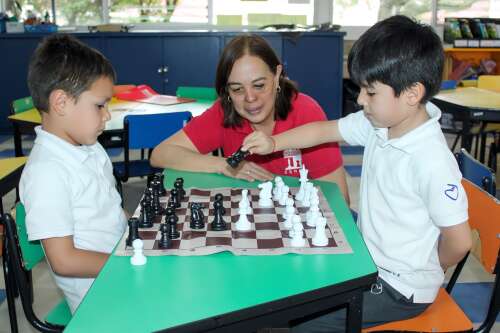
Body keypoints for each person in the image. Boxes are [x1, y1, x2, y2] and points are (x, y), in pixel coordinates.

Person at [242, 15, 472, 332]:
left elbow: (459, 243)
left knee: (303, 323)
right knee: (291, 285)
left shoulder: (431, 159)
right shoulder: (380, 124)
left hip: (400, 290)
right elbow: (324, 130)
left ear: (411, 93)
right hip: (368, 261)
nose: (360, 100)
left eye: (370, 92)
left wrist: (429, 267)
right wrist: (273, 142)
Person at [151, 34, 350, 203]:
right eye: (237, 89)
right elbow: (161, 154)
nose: (250, 98)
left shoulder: (306, 113)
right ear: (226, 91)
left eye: (259, 85)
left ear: (277, 75)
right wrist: (225, 165)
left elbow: (340, 199)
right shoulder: (223, 112)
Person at [20, 34, 127, 314]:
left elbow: (109, 211)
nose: (106, 116)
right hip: (98, 297)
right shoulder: (46, 172)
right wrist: (129, 262)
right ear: (61, 103)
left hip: (119, 268)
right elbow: (64, 261)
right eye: (100, 105)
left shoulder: (88, 147)